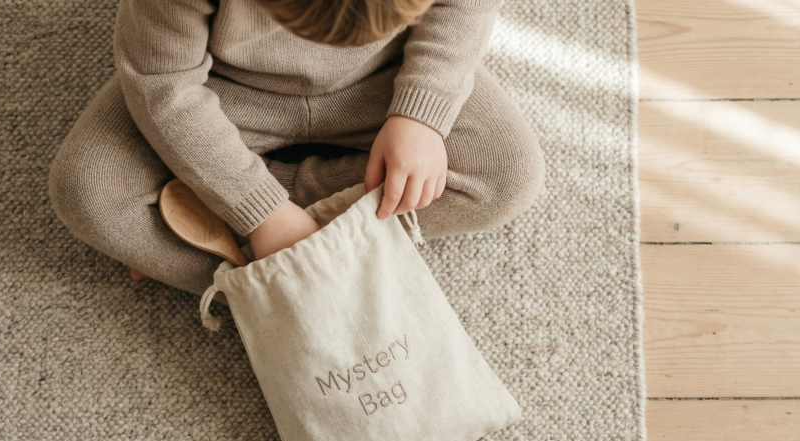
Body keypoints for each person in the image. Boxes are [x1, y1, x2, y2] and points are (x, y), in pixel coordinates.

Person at [48, 0, 545, 303]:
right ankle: (284, 280)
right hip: (223, 88)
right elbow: (163, 85)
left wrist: (422, 114)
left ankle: (226, 240)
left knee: (509, 173)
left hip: (383, 77)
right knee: (89, 189)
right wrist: (260, 211)